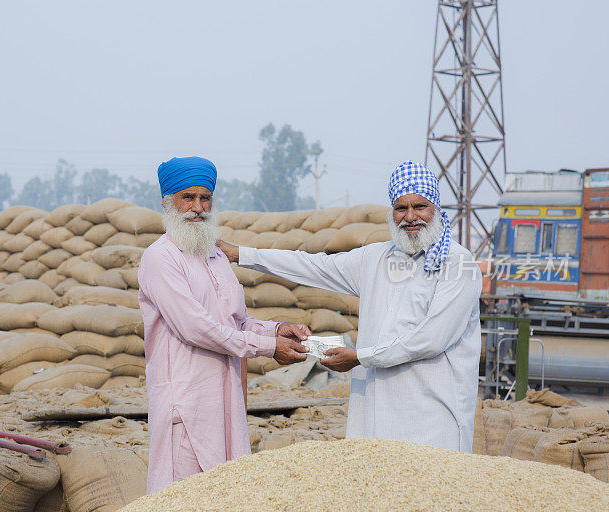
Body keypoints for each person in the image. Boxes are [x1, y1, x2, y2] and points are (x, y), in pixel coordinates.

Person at [218, 161, 482, 452]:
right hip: (377, 418)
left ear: (436, 208)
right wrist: (241, 253)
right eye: (400, 208)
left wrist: (359, 357)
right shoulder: (376, 258)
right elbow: (312, 265)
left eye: (419, 207)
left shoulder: (459, 265)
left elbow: (431, 339)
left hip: (433, 422)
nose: (410, 217)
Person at [139, 156, 311, 494]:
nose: (198, 207)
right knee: (182, 500)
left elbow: (237, 321)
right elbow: (196, 328)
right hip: (186, 402)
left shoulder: (215, 255)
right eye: (188, 198)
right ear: (168, 202)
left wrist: (275, 330)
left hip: (227, 398)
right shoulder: (160, 258)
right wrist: (267, 348)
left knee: (224, 495)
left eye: (205, 199)